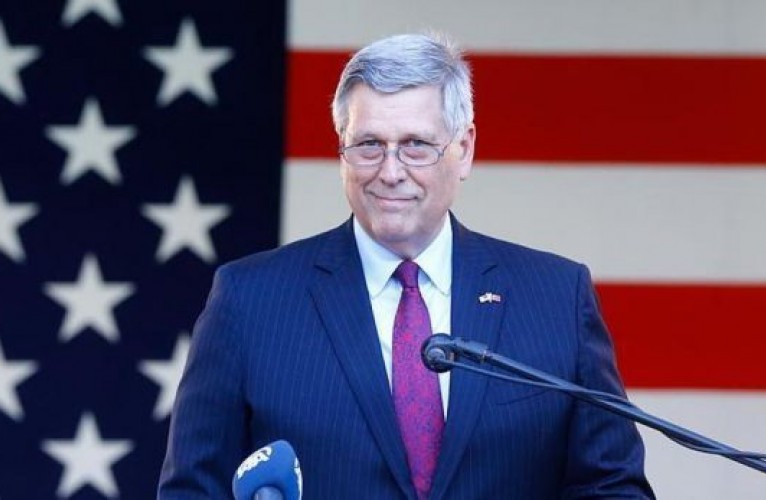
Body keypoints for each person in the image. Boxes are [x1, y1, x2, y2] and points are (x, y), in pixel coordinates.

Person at [158, 33, 655, 499]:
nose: (391, 171)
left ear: (464, 149)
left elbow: (612, 488)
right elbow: (192, 491)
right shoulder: (248, 300)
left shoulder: (556, 298)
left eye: (416, 145)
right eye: (369, 145)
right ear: (342, 148)